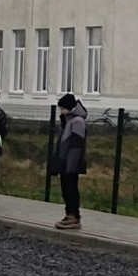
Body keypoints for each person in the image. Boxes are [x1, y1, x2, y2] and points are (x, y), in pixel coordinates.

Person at [53, 93, 88, 230]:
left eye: (62, 109)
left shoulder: (77, 121)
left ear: (69, 108)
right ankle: (69, 214)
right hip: (65, 161)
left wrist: (71, 166)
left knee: (71, 188)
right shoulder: (68, 121)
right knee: (65, 189)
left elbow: (76, 145)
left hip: (71, 163)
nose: (61, 111)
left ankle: (74, 215)